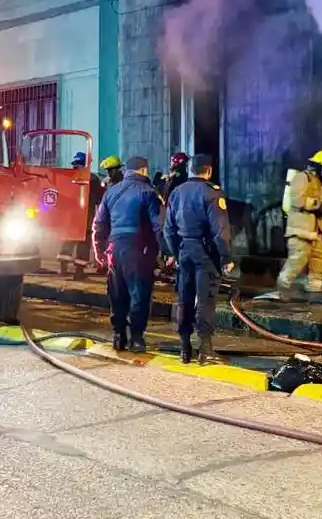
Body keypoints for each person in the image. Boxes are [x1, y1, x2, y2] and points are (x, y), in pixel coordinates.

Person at [163, 154, 233, 365]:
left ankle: (185, 347)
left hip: (184, 251)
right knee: (205, 298)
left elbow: (169, 229)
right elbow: (220, 229)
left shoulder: (177, 192)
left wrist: (176, 253)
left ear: (190, 170)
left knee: (184, 297)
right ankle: (205, 348)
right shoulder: (212, 193)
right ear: (208, 171)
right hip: (206, 253)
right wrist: (226, 256)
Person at [92, 155, 163, 352]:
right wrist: (165, 253)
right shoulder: (149, 192)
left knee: (117, 292)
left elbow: (99, 224)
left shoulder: (111, 192)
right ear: (144, 171)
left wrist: (99, 251)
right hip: (139, 250)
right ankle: (137, 338)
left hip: (114, 249)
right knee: (139, 293)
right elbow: (158, 226)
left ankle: (118, 335)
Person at [276, 149, 322, 298]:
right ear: (318, 166)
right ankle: (283, 288)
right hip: (301, 230)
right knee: (298, 259)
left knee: (319, 261)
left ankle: (314, 292)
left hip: (318, 230)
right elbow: (297, 200)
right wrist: (318, 204)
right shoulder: (302, 178)